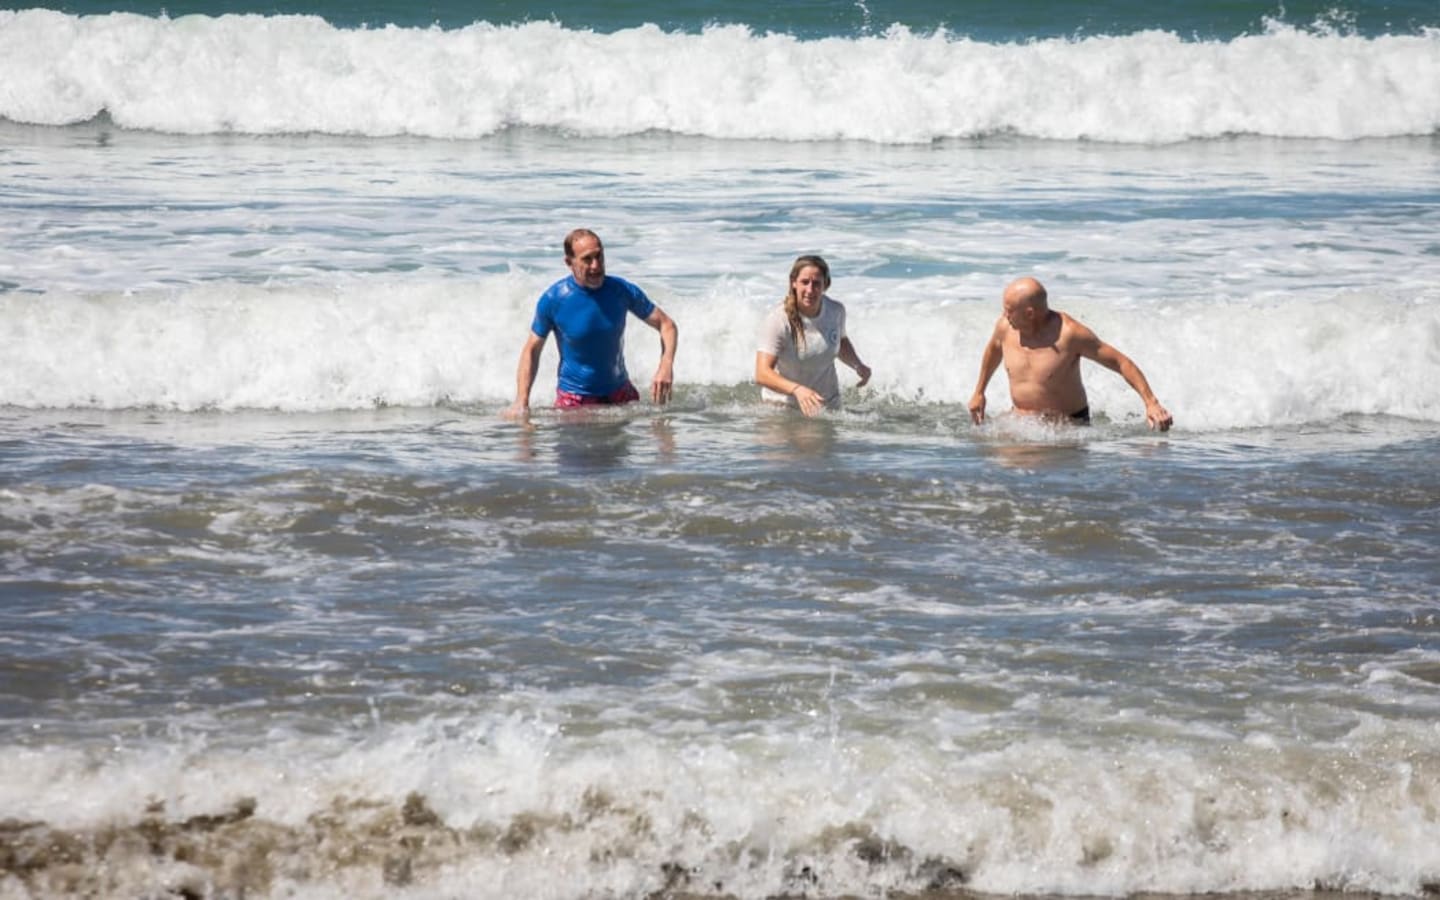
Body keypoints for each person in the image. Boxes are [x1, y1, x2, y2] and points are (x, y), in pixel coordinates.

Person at [507, 229, 677, 416]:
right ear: (569, 262)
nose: (596, 266)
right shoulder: (554, 299)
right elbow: (532, 349)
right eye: (587, 259)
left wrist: (665, 365)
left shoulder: (621, 291)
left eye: (599, 256)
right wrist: (521, 401)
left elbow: (666, 325)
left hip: (621, 395)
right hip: (575, 401)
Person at [968, 276, 1173, 431]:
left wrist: (1151, 403)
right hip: (1020, 422)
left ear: (1029, 313)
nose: (1004, 315)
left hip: (1067, 428)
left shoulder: (1070, 334)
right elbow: (994, 349)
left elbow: (1121, 363)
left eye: (1009, 310)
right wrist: (979, 392)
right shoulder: (1005, 327)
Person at [755, 255, 871, 417]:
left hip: (828, 408)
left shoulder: (835, 311)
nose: (810, 290)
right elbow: (762, 373)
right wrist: (797, 390)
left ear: (826, 285)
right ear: (793, 282)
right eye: (805, 282)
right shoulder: (778, 320)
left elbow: (840, 341)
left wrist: (858, 365)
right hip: (783, 411)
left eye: (816, 283)